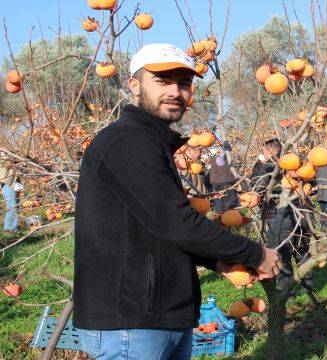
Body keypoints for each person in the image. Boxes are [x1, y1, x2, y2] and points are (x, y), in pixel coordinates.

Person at [73, 43, 281, 359]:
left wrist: (218, 262)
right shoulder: (127, 141)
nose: (175, 91)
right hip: (132, 322)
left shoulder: (149, 142)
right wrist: (253, 253)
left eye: (183, 83)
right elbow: (176, 222)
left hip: (155, 315)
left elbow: (156, 229)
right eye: (162, 80)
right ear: (134, 86)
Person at [251, 138, 313, 292]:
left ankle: (287, 288)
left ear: (271, 151)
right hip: (302, 211)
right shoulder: (297, 163)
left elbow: (257, 188)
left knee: (282, 253)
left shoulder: (269, 167)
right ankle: (308, 285)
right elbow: (311, 181)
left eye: (264, 151)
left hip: (278, 213)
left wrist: (260, 164)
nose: (262, 153)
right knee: (302, 248)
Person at [0, 155, 19, 234]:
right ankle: (8, 229)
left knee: (16, 207)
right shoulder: (5, 166)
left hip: (12, 187)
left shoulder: (12, 168)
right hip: (7, 187)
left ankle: (14, 228)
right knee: (12, 207)